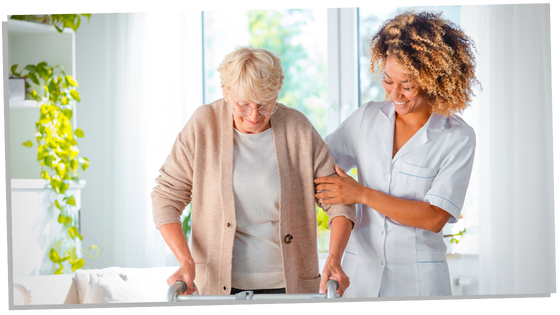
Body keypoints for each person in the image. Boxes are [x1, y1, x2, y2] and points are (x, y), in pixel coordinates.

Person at [151, 46, 356, 297]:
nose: (254, 115)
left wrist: (334, 259)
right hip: (218, 286)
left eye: (265, 103)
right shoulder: (204, 125)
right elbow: (166, 197)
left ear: (277, 93)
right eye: (243, 104)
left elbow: (339, 201)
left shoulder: (298, 129)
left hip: (290, 285)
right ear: (226, 93)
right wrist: (185, 261)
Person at [314, 11, 481, 297]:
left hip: (418, 281)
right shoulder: (366, 117)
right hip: (358, 277)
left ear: (436, 81)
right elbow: (317, 166)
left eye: (408, 85)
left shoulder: (458, 138)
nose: (395, 94)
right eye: (389, 81)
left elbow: (434, 217)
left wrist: (361, 194)